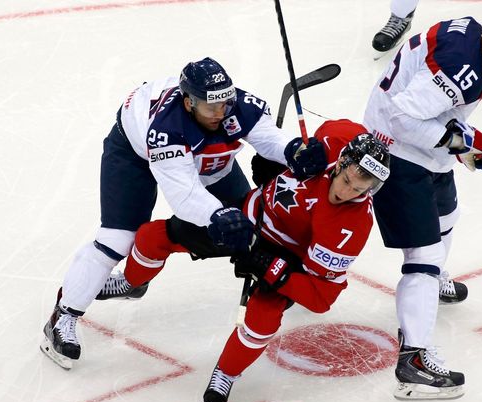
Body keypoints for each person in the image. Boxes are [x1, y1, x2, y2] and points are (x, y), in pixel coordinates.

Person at [40, 57, 327, 370]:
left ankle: (284, 286)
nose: (221, 113)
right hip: (133, 155)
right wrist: (217, 215)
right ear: (189, 103)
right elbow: (185, 195)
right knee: (118, 239)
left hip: (209, 159)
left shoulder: (236, 106)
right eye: (211, 107)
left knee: (257, 220)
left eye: (225, 104)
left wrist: (294, 149)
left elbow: (268, 137)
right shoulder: (166, 129)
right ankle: (63, 315)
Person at [363, 16, 482, 399]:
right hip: (398, 152)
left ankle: (431, 287)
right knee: (423, 257)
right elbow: (401, 120)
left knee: (448, 215)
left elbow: (435, 108)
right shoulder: (462, 67)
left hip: (425, 152)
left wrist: (466, 143)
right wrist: (460, 143)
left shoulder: (469, 40)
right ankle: (413, 360)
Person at [199, 119, 391, 402]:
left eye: (359, 189)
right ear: (341, 162)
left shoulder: (352, 226)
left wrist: (273, 270)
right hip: (249, 215)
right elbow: (325, 131)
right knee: (161, 235)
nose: (346, 192)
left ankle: (226, 371)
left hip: (285, 254)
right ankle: (130, 281)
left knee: (261, 320)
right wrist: (280, 158)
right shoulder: (338, 140)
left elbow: (321, 297)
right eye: (347, 180)